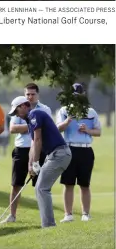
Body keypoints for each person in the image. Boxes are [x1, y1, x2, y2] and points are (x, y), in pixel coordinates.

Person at [8, 95, 71, 228]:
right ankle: (48, 224)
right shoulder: (30, 121)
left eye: (17, 111)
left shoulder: (34, 114)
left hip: (60, 153)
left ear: (24, 106)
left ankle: (48, 225)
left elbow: (38, 141)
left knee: (42, 187)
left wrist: (36, 163)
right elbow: (33, 145)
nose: (17, 115)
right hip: (54, 155)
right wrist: (31, 165)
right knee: (40, 188)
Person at [3, 83, 52, 223]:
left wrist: (28, 127)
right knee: (16, 183)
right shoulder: (19, 106)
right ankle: (12, 215)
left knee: (41, 185)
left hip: (39, 150)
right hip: (21, 149)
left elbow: (46, 128)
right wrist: (34, 125)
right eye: (27, 94)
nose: (30, 97)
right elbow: (12, 129)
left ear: (38, 95)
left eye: (33, 94)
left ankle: (45, 217)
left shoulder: (45, 109)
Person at [56, 83, 102, 223]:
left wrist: (87, 131)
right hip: (69, 149)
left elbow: (98, 132)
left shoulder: (91, 112)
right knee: (68, 183)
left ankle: (85, 214)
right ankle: (68, 214)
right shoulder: (64, 110)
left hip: (85, 149)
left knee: (84, 184)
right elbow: (58, 128)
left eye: (79, 96)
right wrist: (68, 120)